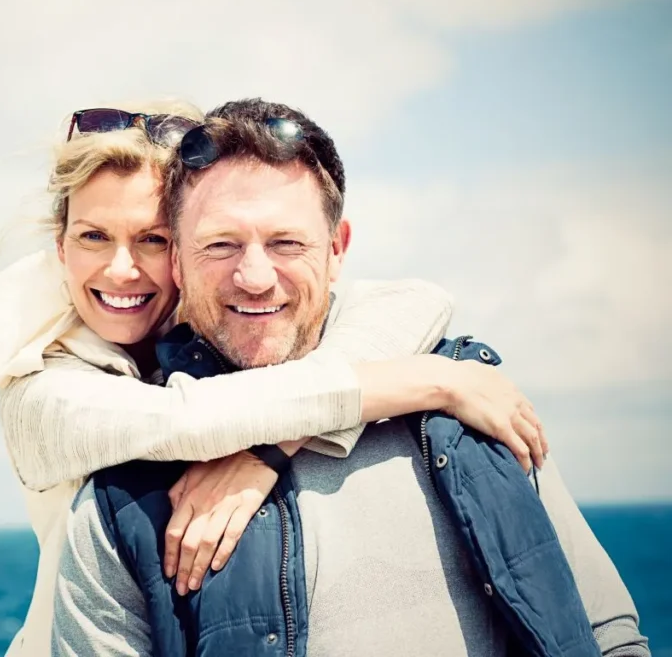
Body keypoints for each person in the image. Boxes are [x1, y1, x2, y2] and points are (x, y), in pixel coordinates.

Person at [50, 99, 649, 657]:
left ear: (337, 248)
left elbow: (610, 633)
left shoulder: (471, 414)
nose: (255, 277)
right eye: (222, 245)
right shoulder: (117, 504)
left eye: (286, 243)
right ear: (176, 260)